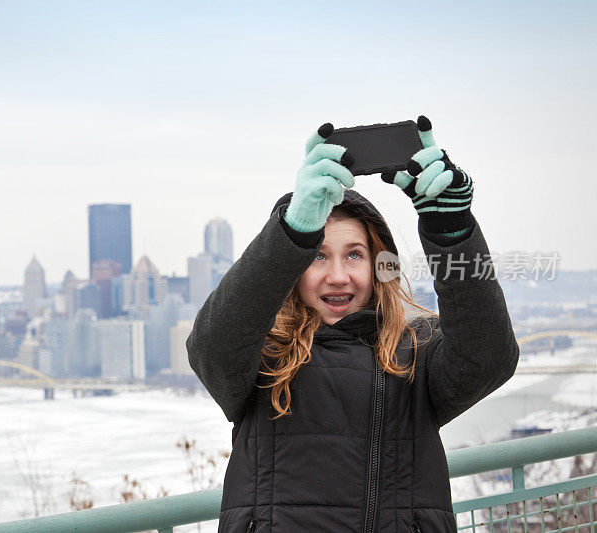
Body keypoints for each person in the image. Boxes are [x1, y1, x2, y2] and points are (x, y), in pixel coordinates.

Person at [187, 116, 519, 532]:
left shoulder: (416, 353)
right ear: (293, 268)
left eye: (355, 255)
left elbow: (490, 357)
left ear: (381, 267)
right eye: (317, 255)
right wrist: (292, 229)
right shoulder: (264, 354)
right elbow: (211, 347)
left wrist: (451, 230)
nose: (338, 276)